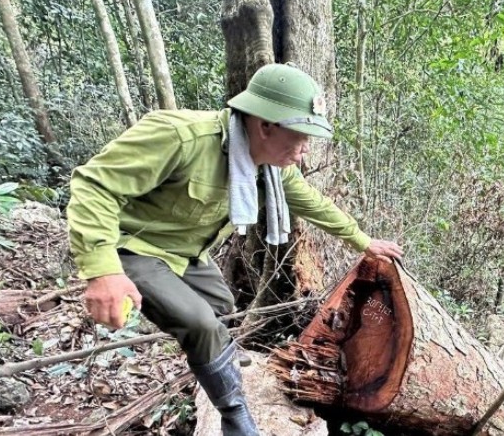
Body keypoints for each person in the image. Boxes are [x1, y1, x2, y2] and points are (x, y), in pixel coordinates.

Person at [66, 63, 403, 435]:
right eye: (300, 137)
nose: (304, 152)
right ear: (265, 125)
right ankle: (235, 416)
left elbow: (312, 203)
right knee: (200, 323)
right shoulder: (181, 137)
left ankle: (216, 360)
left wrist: (362, 241)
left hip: (186, 253)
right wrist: (103, 271)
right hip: (131, 246)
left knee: (222, 306)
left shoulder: (271, 167)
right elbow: (94, 185)